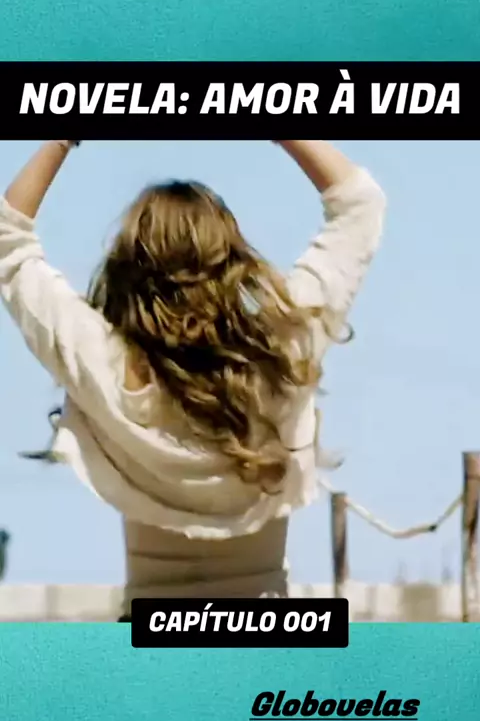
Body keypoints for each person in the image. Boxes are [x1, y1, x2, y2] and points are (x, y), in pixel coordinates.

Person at [0, 140, 386, 619]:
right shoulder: (281, 349)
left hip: (148, 636)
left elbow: (8, 243)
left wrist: (64, 138)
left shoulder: (104, 363)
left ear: (128, 267)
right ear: (232, 259)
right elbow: (359, 205)